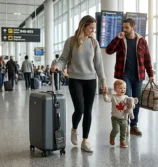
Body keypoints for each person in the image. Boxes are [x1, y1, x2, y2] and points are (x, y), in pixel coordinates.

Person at [51, 15, 108, 152]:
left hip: (90, 80)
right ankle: (74, 129)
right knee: (80, 109)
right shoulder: (71, 41)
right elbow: (63, 58)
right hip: (75, 79)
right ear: (83, 26)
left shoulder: (94, 43)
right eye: (91, 28)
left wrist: (103, 82)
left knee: (88, 111)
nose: (92, 31)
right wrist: (57, 66)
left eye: (94, 28)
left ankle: (85, 141)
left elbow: (99, 65)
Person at [105, 18, 154, 136]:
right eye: (123, 27)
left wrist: (150, 74)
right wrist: (117, 38)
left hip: (139, 75)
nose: (124, 30)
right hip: (124, 75)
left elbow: (147, 58)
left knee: (135, 101)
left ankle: (134, 125)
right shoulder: (121, 40)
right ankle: (124, 125)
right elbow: (108, 50)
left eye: (127, 27)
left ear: (133, 27)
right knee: (127, 99)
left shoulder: (142, 41)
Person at [103, 80, 133, 148]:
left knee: (124, 130)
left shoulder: (126, 97)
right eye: (120, 88)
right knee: (116, 129)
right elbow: (107, 99)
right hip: (115, 118)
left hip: (124, 118)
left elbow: (130, 105)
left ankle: (122, 141)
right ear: (115, 89)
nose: (122, 90)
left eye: (124, 88)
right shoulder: (113, 96)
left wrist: (130, 106)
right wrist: (105, 95)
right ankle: (112, 136)